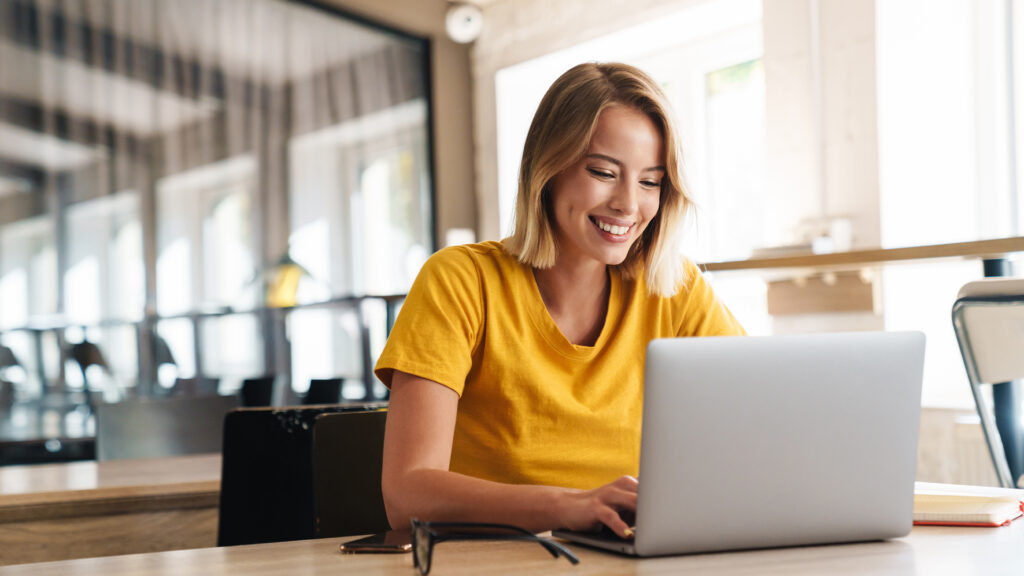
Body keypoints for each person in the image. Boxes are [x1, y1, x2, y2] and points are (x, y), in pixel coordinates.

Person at [375, 62, 745, 539]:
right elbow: (406, 497)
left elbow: (757, 429)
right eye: (604, 172)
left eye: (650, 182)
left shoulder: (675, 289)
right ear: (547, 169)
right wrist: (569, 505)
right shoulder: (461, 281)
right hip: (491, 564)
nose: (629, 205)